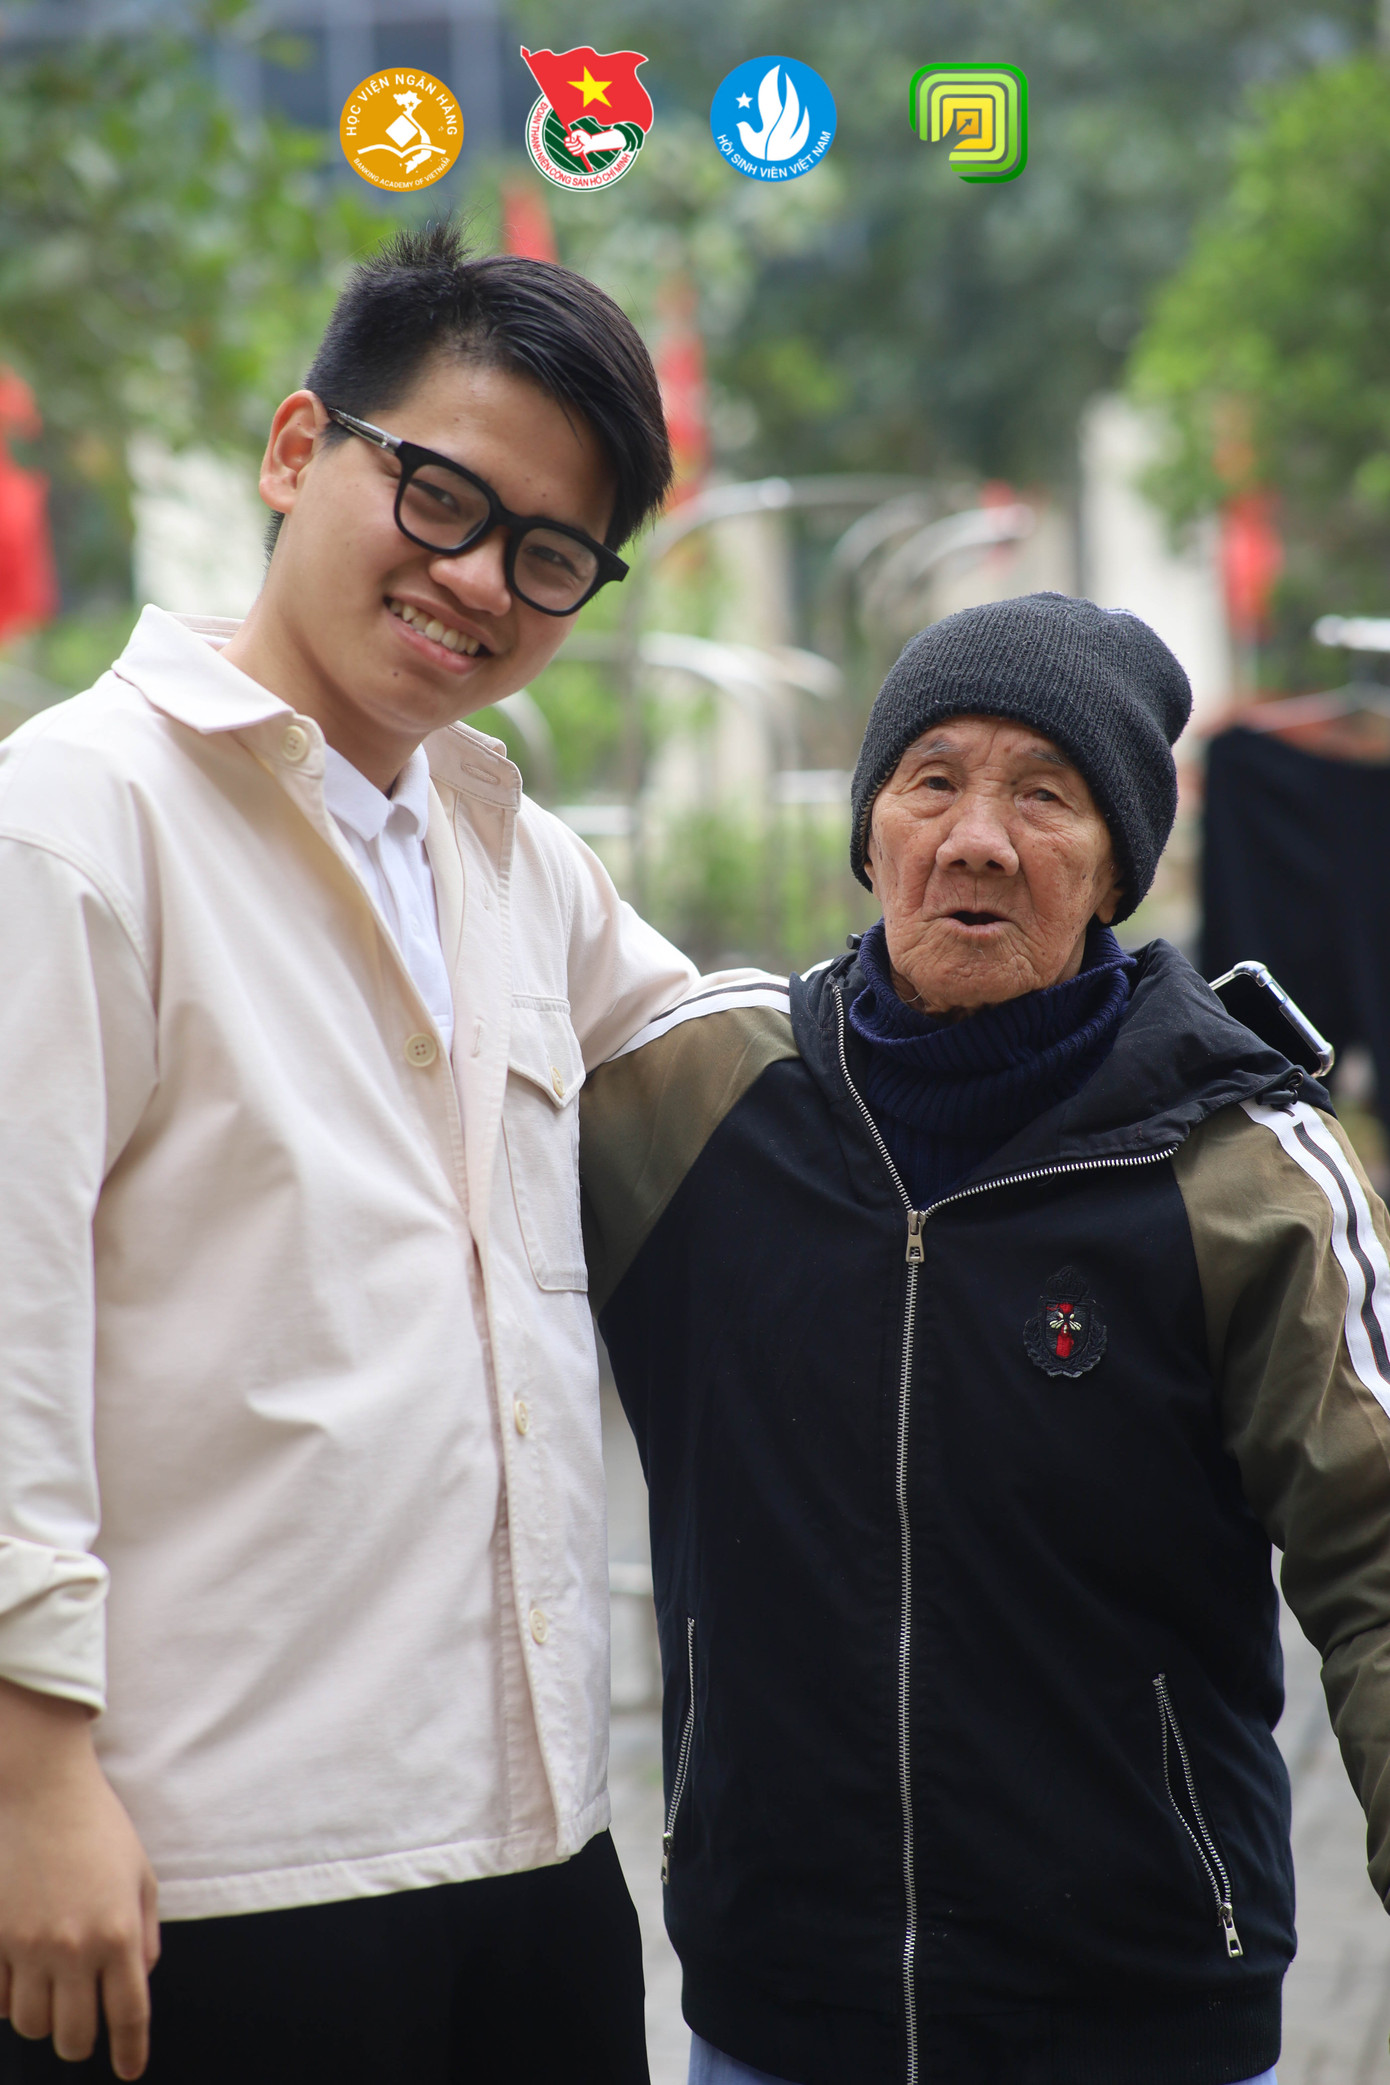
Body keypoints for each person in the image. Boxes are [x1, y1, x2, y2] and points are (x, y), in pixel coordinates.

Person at [0, 222, 743, 2084]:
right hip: (201, 1871)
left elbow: (756, 1081)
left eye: (548, 553)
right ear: (294, 449)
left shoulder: (506, 847)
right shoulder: (76, 823)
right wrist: (31, 1780)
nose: (478, 579)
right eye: (440, 495)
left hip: (535, 1848)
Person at [579, 591, 1390, 2085]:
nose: (976, 840)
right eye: (932, 779)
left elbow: (1377, 1563)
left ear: (1117, 864)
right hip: (774, 2020)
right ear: (870, 829)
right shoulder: (700, 1099)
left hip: (1144, 2027)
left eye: (1044, 795)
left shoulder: (1243, 1172)